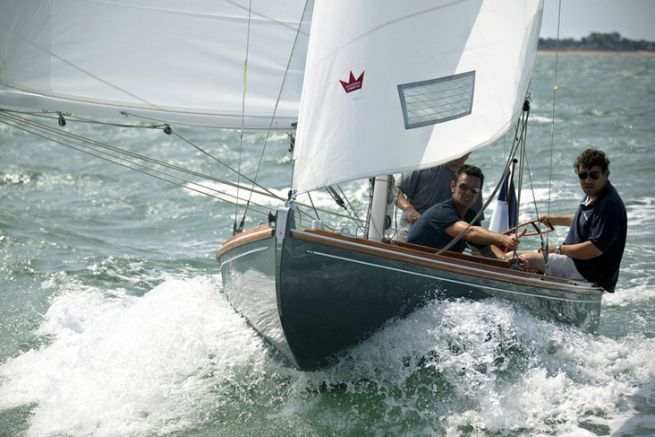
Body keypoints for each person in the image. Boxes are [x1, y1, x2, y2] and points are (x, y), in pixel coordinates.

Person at [515, 148, 626, 292]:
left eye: (594, 175)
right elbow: (587, 220)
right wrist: (554, 219)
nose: (588, 180)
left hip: (587, 270)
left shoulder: (608, 204)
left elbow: (594, 249)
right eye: (582, 175)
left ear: (605, 174)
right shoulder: (594, 194)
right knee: (510, 255)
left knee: (522, 260)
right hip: (578, 262)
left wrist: (558, 249)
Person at [406, 164, 519, 256]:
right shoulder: (442, 212)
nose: (468, 193)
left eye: (474, 190)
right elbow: (470, 232)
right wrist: (503, 238)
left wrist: (509, 262)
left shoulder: (470, 216)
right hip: (411, 264)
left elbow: (486, 250)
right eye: (463, 187)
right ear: (453, 187)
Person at [396, 153, 484, 240]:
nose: (459, 154)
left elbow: (475, 227)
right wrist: (410, 211)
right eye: (463, 187)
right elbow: (395, 189)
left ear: (470, 152)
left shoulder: (473, 182)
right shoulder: (424, 166)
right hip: (409, 237)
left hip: (447, 246)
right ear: (453, 186)